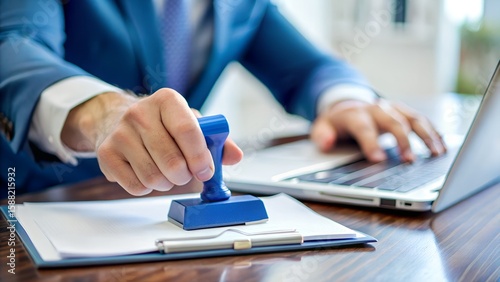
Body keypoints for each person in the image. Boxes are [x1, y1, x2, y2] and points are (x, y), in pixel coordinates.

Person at [0, 0, 446, 197]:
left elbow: (311, 68)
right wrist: (102, 112)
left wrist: (345, 101)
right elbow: (13, 45)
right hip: (25, 207)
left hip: (154, 220)